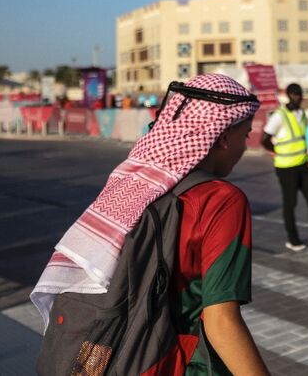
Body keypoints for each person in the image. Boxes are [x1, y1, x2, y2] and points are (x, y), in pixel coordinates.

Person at [32, 74, 270, 375]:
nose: (246, 146)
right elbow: (221, 321)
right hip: (181, 363)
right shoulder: (220, 199)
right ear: (222, 137)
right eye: (245, 135)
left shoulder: (131, 182)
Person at [262, 83, 308, 251]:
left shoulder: (302, 113)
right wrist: (276, 151)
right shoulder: (279, 116)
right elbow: (264, 139)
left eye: (300, 94)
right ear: (288, 95)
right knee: (290, 203)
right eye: (295, 94)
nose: (298, 97)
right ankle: (293, 239)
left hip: (304, 164)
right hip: (286, 167)